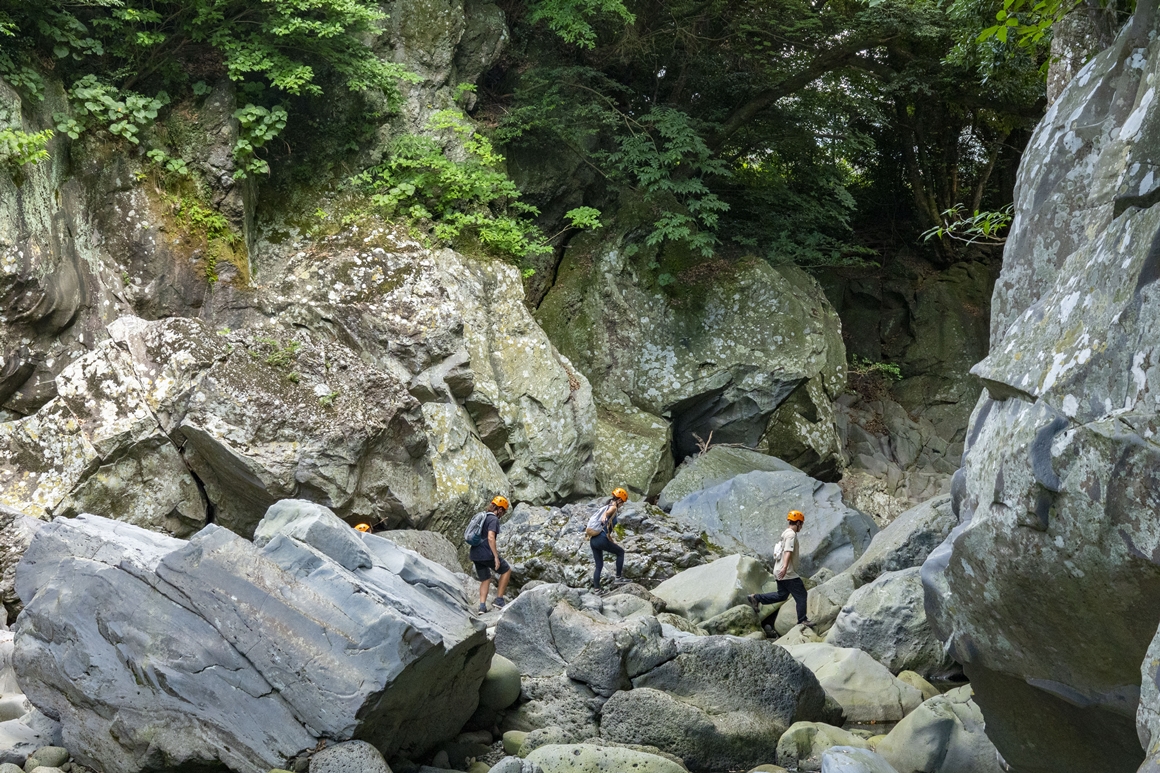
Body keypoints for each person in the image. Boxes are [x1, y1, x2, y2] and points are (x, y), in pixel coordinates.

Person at [747, 510, 814, 630]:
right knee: (802, 595)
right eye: (801, 524)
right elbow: (788, 551)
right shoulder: (791, 535)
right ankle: (802, 620)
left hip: (778, 570)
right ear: (798, 522)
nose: (801, 527)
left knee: (782, 595)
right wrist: (784, 567)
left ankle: (756, 598)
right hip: (787, 572)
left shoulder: (785, 533)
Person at [470, 495, 513, 613]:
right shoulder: (493, 519)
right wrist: (495, 557)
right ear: (499, 509)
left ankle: (482, 607)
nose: (503, 514)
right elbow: (490, 537)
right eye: (503, 511)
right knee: (506, 570)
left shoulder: (483, 516)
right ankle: (499, 600)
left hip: (475, 553)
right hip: (486, 553)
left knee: (486, 578)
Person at [587, 488, 629, 590]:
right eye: (622, 503)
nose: (622, 505)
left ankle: (597, 589)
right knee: (620, 552)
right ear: (619, 500)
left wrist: (610, 539)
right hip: (601, 539)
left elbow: (607, 528)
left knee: (599, 565)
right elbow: (609, 512)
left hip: (593, 540)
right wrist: (605, 515)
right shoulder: (613, 507)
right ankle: (618, 578)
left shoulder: (606, 506)